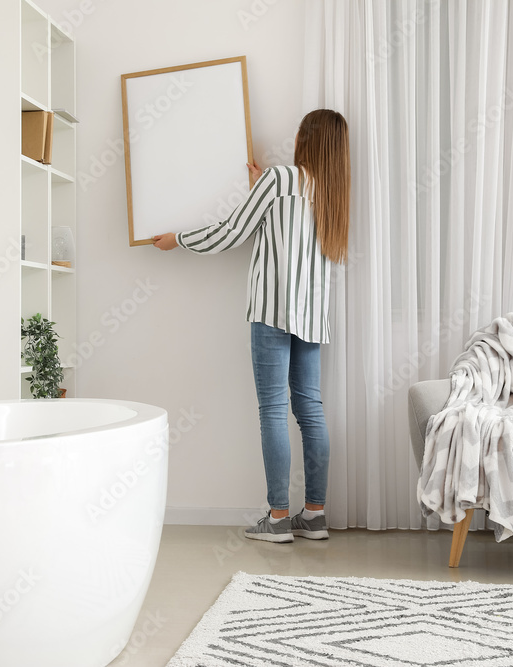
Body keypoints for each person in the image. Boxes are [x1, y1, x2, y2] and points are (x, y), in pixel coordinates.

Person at [153, 109, 351, 543]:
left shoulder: (279, 181)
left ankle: (278, 518)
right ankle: (314, 515)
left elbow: (231, 232)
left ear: (305, 138)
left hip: (272, 311)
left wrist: (178, 240)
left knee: (273, 413)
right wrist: (263, 186)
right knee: (311, 413)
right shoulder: (331, 193)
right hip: (312, 316)